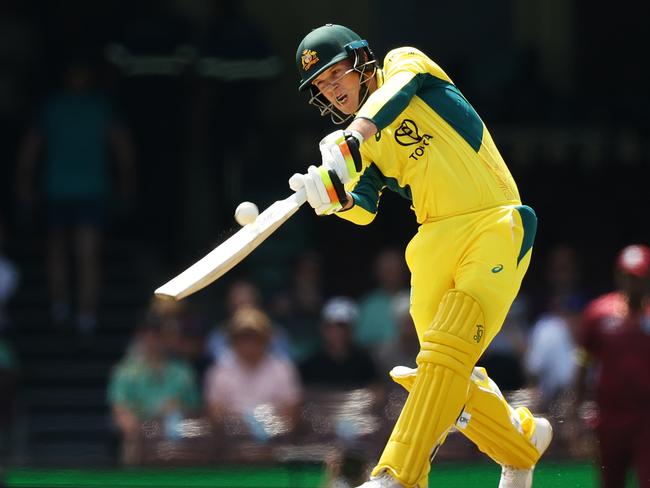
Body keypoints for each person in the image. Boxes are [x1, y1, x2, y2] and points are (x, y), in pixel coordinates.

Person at [288, 24, 552, 488]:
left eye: (336, 77)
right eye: (322, 88)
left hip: (493, 221)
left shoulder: (404, 63)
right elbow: (365, 209)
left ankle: (397, 475)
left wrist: (354, 136)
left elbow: (387, 102)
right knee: (439, 371)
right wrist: (333, 200)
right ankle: (522, 445)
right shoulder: (363, 147)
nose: (332, 92)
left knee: (446, 352)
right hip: (432, 243)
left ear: (361, 60)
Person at [15, 57, 136, 335]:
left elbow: (123, 149)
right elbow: (30, 151)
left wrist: (126, 184)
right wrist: (24, 186)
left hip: (88, 190)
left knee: (85, 253)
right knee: (61, 251)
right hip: (59, 189)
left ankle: (84, 314)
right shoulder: (55, 107)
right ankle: (64, 308)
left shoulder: (97, 107)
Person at [571, 244, 650, 488]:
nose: (632, 284)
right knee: (610, 482)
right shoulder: (598, 313)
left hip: (646, 418)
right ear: (618, 276)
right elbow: (583, 363)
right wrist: (577, 412)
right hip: (609, 416)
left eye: (638, 279)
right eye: (627, 277)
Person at [107, 317, 201, 464]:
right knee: (131, 435)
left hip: (176, 429)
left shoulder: (183, 371)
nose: (153, 339)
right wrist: (132, 425)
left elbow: (196, 410)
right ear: (140, 337)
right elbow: (119, 409)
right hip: (141, 429)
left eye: (159, 334)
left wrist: (180, 408)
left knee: (198, 432)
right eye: (148, 334)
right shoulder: (125, 371)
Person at [203, 307, 301, 437]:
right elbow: (214, 415)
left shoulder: (283, 369)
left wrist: (268, 430)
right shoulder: (220, 370)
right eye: (243, 337)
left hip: (274, 442)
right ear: (233, 340)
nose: (249, 343)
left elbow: (291, 417)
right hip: (232, 441)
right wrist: (238, 428)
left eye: (254, 337)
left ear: (266, 339)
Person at [299, 296, 381, 389]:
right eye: (331, 327)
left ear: (351, 330)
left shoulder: (365, 362)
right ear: (322, 329)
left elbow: (375, 391)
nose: (337, 333)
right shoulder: (310, 364)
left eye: (342, 327)